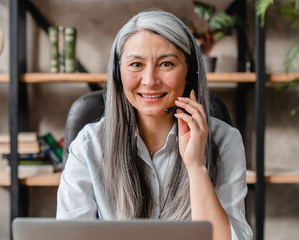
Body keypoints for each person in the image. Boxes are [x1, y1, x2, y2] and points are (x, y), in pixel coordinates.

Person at [57, 9, 253, 240]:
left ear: (190, 72)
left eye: (167, 64)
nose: (150, 80)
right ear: (118, 73)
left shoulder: (225, 141)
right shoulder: (88, 146)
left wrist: (196, 167)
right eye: (136, 64)